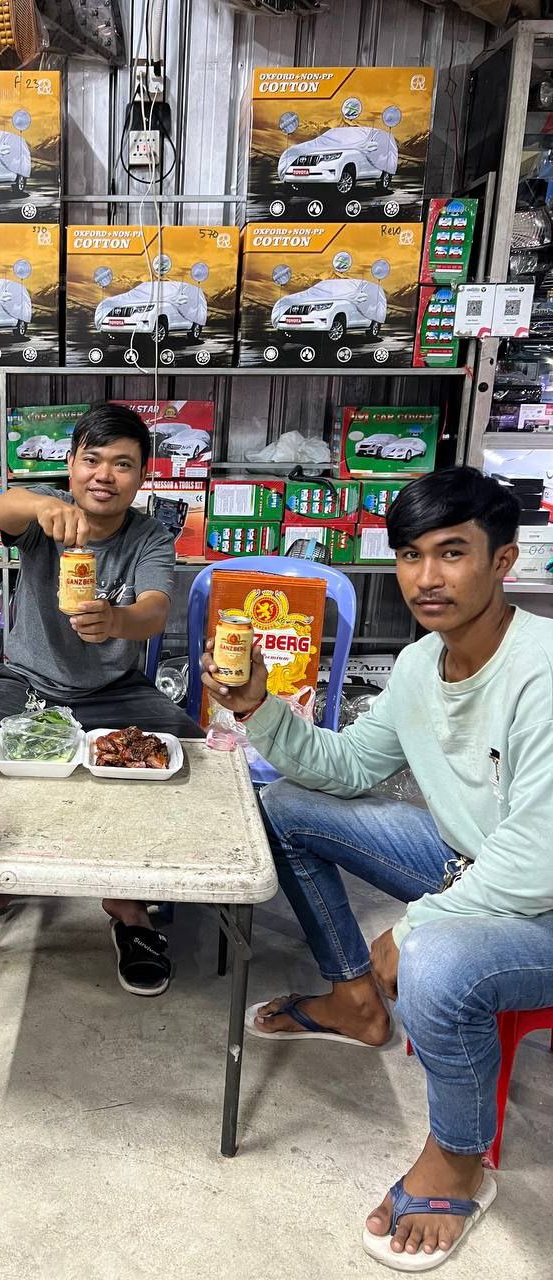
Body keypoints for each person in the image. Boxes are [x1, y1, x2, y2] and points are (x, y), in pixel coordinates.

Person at [202, 465, 553, 1269]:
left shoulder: (543, 670)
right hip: (473, 863)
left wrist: (418, 923)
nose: (426, 578)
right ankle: (355, 1003)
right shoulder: (421, 664)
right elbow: (350, 766)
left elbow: (538, 860)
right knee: (285, 806)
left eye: (452, 553)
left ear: (503, 561)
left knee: (437, 959)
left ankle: (458, 1160)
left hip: (541, 895)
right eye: (409, 555)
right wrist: (256, 706)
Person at [0, 403, 203, 996]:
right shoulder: (46, 514)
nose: (104, 475)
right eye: (91, 459)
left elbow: (154, 610)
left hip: (115, 689)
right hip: (24, 681)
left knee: (193, 757)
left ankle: (129, 904)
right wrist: (40, 506)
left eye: (122, 464)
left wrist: (117, 621)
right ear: (71, 464)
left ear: (142, 475)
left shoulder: (149, 535)